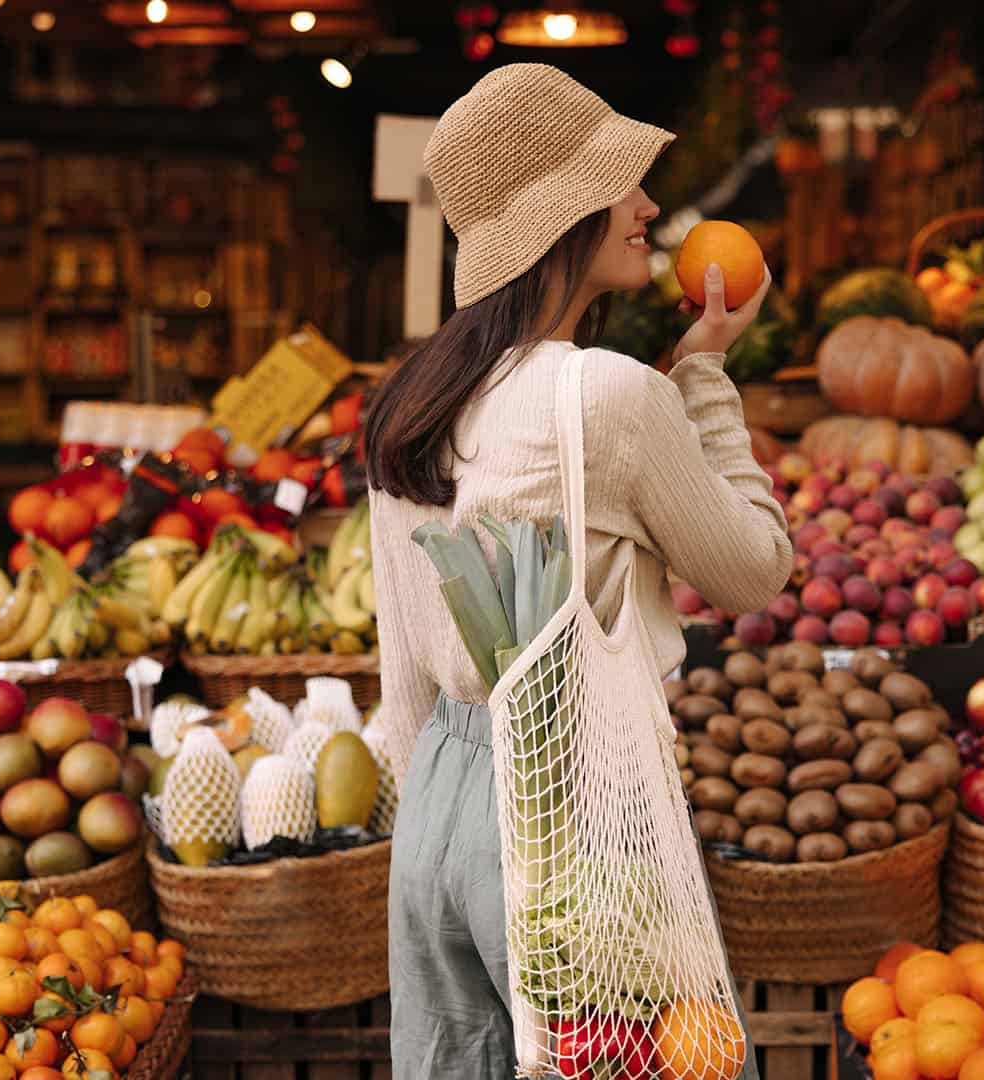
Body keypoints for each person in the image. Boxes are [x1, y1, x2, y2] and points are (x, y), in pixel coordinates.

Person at [362, 64, 794, 1078]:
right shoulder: (607, 396)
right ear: (563, 216)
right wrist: (707, 377)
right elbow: (755, 570)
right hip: (566, 798)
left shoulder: (411, 404)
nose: (650, 206)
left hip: (436, 805)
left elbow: (405, 669)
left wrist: (438, 823)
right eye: (621, 182)